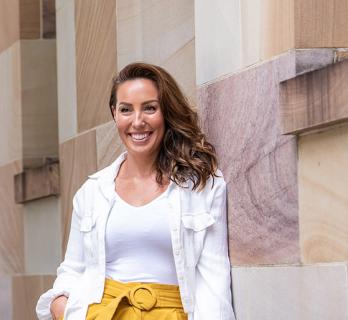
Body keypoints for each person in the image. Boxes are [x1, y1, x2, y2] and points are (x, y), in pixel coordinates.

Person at [36, 63, 235, 320]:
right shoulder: (92, 192)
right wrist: (60, 307)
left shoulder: (202, 186)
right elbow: (73, 269)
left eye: (150, 108)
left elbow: (213, 281)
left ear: (166, 112)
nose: (137, 122)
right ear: (114, 114)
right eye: (126, 110)